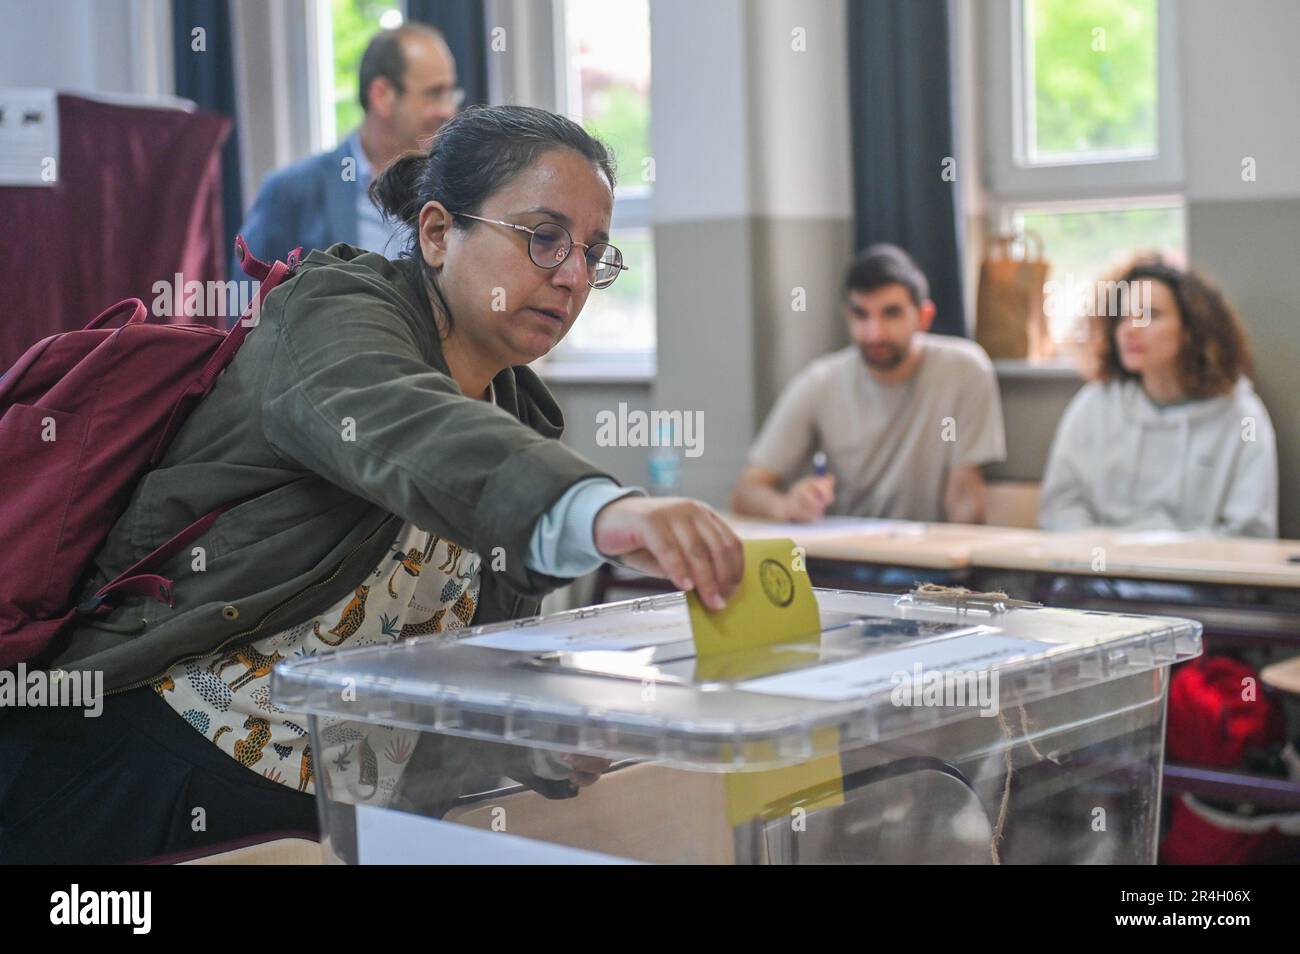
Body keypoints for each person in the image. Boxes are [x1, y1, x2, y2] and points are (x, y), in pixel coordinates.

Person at [0, 105, 743, 863]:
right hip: (145, 775)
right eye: (544, 238)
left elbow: (454, 672)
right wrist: (600, 508)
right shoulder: (331, 314)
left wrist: (549, 743)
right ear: (435, 233)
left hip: (327, 818)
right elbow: (405, 425)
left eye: (594, 252)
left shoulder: (514, 411)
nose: (575, 276)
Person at [732, 244, 1006, 524]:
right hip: (845, 556)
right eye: (861, 315)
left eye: (891, 313)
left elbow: (964, 490)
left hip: (927, 556)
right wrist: (787, 506)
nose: (875, 333)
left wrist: (960, 558)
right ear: (848, 315)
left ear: (924, 317)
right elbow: (747, 489)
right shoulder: (820, 382)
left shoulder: (965, 370)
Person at [1039, 255, 1277, 537]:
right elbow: (1061, 508)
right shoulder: (1093, 405)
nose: (1129, 329)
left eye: (1148, 315)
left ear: (1191, 329)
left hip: (1197, 577)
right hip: (1099, 575)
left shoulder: (1243, 417)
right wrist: (1103, 559)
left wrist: (1169, 559)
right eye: (1123, 318)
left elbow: (1249, 531)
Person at [235, 23, 462, 269]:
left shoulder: (456, 188)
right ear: (382, 95)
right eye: (434, 94)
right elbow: (249, 300)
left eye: (451, 94)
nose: (448, 111)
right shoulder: (291, 192)